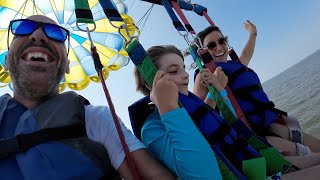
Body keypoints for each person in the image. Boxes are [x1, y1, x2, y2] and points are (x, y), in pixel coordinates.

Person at [0, 15, 175, 179]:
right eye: (23, 28)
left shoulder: (97, 119)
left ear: (67, 66)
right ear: (6, 61)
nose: (38, 36)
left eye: (55, 33)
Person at [130, 45, 320, 180]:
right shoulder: (152, 129)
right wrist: (169, 111)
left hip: (253, 166)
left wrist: (220, 91)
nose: (186, 74)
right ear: (150, 83)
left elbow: (230, 125)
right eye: (173, 71)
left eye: (182, 67)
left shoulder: (191, 104)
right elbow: (203, 175)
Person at [193, 25, 320, 156]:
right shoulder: (204, 75)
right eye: (212, 45)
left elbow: (246, 54)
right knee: (307, 154)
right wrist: (214, 90)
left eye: (222, 41)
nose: (219, 47)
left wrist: (253, 34)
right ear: (204, 52)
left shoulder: (235, 66)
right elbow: (199, 118)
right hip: (251, 136)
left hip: (268, 123)